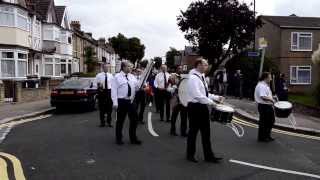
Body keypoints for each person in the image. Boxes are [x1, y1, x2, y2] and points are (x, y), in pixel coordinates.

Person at [186, 58, 224, 163]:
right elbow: (197, 95)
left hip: (202, 107)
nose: (207, 67)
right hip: (195, 107)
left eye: (207, 65)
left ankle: (209, 156)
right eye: (205, 65)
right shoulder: (193, 78)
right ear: (198, 65)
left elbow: (205, 94)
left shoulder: (201, 77)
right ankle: (190, 155)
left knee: (206, 133)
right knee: (193, 132)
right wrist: (212, 103)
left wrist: (216, 97)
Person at [112, 61, 142, 145]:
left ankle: (133, 138)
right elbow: (114, 90)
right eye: (128, 66)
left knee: (134, 120)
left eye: (130, 66)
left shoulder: (132, 76)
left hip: (131, 101)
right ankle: (119, 138)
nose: (130, 68)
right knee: (120, 121)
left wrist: (141, 86)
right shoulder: (117, 77)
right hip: (121, 101)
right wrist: (115, 103)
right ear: (123, 67)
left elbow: (136, 87)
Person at [254, 72, 276, 142]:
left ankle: (267, 136)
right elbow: (263, 96)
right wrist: (272, 100)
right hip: (264, 106)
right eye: (270, 77)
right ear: (266, 78)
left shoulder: (265, 85)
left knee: (270, 121)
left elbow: (266, 95)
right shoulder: (261, 85)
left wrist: (272, 97)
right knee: (265, 122)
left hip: (266, 106)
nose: (271, 79)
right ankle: (263, 137)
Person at [170, 66, 188, 137]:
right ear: (177, 70)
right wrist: (173, 88)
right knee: (174, 116)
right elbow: (170, 87)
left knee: (184, 117)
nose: (181, 70)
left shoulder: (186, 78)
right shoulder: (173, 77)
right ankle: (172, 130)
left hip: (183, 100)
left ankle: (183, 132)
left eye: (182, 69)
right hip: (176, 100)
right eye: (179, 69)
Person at [95, 63, 113, 127]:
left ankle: (109, 122)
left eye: (107, 67)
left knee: (109, 108)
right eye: (105, 67)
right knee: (102, 108)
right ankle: (102, 122)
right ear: (102, 68)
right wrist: (99, 86)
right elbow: (95, 84)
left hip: (109, 92)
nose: (106, 68)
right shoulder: (98, 75)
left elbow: (113, 85)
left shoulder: (111, 75)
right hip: (102, 92)